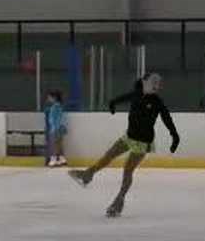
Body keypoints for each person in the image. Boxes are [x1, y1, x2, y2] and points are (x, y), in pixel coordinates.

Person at [68, 73, 180, 217]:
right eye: (154, 82)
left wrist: (174, 135)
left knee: (127, 170)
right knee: (108, 156)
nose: (157, 85)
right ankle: (88, 174)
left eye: (159, 83)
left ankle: (119, 201)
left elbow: (166, 117)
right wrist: (113, 102)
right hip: (129, 136)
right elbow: (123, 98)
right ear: (144, 82)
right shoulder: (137, 94)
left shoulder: (157, 101)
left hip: (143, 142)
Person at [45, 90, 68, 167]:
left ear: (54, 98)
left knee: (53, 144)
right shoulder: (59, 106)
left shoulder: (55, 107)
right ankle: (62, 159)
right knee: (59, 144)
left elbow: (54, 119)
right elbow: (61, 118)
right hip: (59, 128)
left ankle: (53, 159)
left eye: (49, 98)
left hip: (55, 128)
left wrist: (54, 129)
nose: (48, 99)